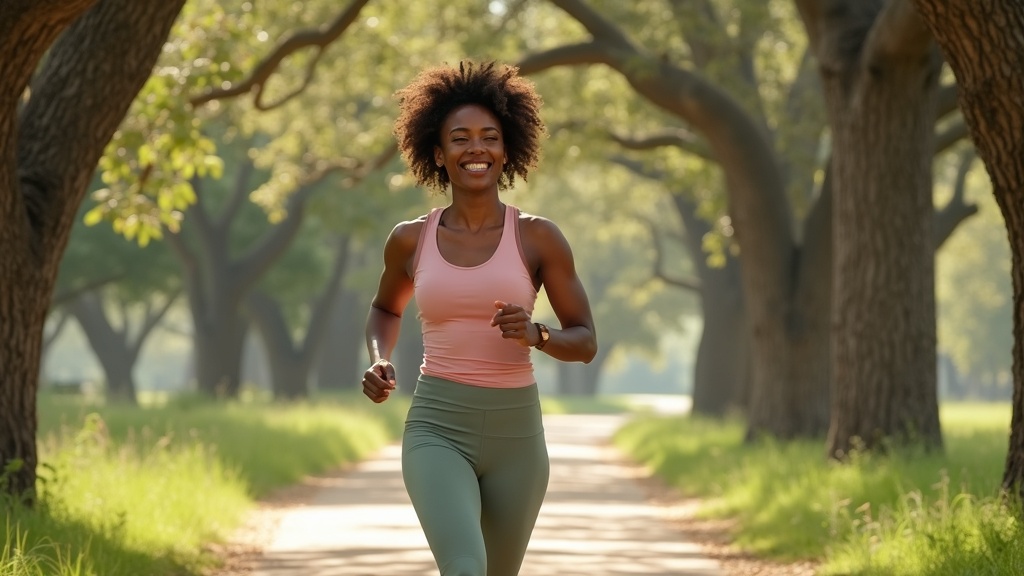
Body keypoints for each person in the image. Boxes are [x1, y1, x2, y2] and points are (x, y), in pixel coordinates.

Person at [361, 60, 597, 576]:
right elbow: (384, 308)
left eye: (490, 138)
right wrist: (380, 359)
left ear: (507, 150)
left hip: (517, 436)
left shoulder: (538, 237)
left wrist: (537, 334)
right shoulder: (409, 240)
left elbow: (585, 342)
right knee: (465, 567)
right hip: (437, 427)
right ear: (438, 153)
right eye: (460, 139)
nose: (477, 149)